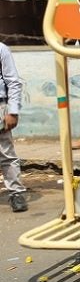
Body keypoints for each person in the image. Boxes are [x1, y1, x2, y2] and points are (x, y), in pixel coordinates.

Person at [0, 40, 28, 212]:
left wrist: (13, 111)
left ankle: (16, 194)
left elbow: (13, 82)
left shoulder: (1, 49)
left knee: (6, 153)